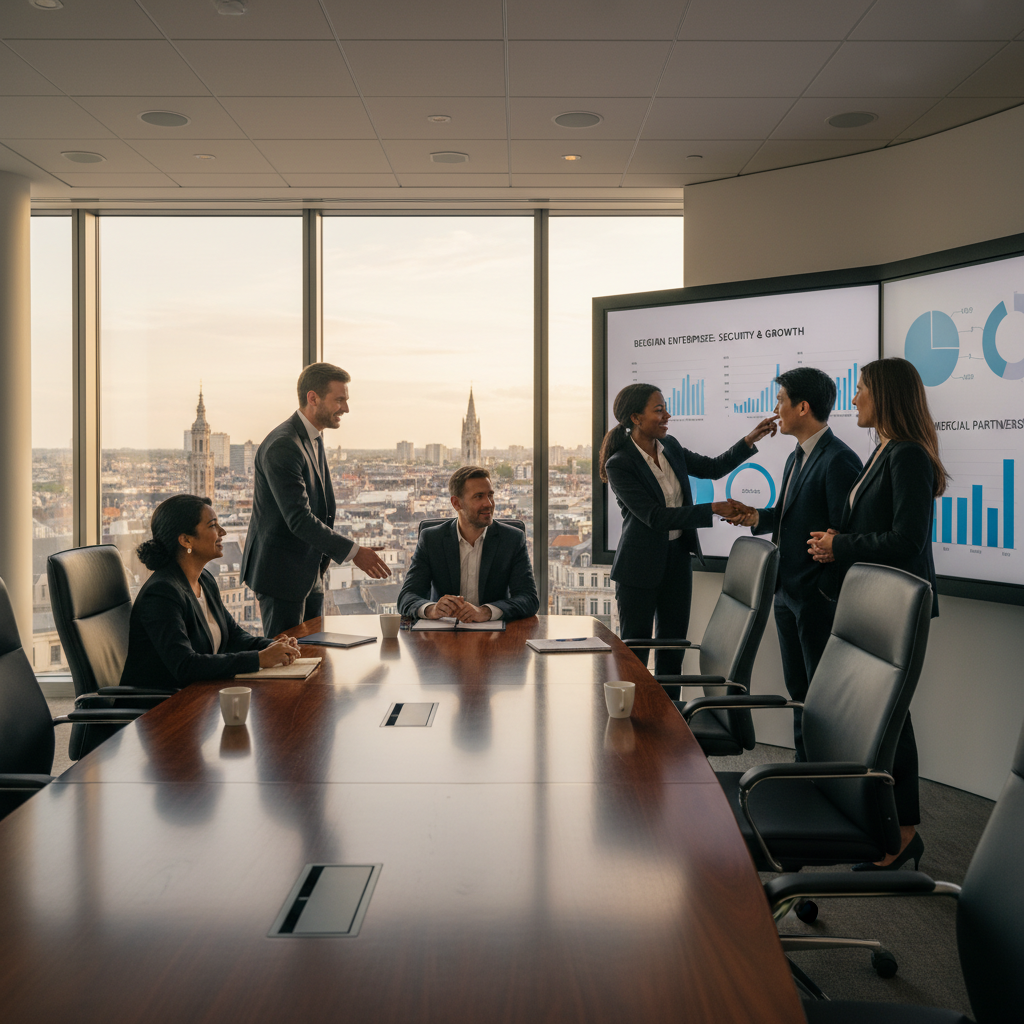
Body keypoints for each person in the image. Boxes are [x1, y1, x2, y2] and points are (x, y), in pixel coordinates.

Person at [808, 357, 947, 870]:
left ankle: (903, 834)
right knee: (885, 720)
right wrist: (836, 544)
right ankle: (889, 824)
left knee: (892, 722)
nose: (855, 399)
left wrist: (840, 545)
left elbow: (908, 539)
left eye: (862, 389)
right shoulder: (884, 450)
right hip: (875, 602)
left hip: (896, 605)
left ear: (884, 395)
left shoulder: (907, 454)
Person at [599, 383, 777, 675]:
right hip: (638, 569)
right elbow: (655, 517)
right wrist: (712, 508)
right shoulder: (620, 465)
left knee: (673, 650)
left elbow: (713, 468)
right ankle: (634, 720)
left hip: (677, 560)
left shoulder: (671, 447)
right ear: (635, 418)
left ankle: (671, 719)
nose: (667, 415)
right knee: (636, 657)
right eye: (659, 410)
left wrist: (749, 439)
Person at [735, 367, 863, 761]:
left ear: (803, 407)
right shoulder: (798, 456)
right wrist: (756, 517)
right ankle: (803, 766)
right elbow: (790, 514)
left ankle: (822, 773)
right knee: (799, 691)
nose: (776, 409)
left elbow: (844, 537)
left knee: (822, 696)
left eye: (781, 401)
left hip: (815, 598)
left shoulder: (839, 460)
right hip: (786, 594)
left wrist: (823, 591)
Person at [241, 362, 390, 638]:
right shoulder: (284, 445)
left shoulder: (311, 437)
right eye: (340, 400)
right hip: (282, 578)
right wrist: (355, 552)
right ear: (313, 398)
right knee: (288, 661)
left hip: (308, 572)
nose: (345, 408)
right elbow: (299, 518)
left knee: (313, 654)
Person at [121, 494, 300, 692]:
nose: (222, 532)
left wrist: (273, 647)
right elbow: (186, 665)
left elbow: (233, 636)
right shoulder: (161, 594)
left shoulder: (204, 579)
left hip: (199, 699)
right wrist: (259, 659)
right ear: (186, 540)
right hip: (159, 711)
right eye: (213, 525)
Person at [397, 466, 539, 622]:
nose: (489, 503)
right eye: (479, 497)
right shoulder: (432, 539)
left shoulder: (512, 539)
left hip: (495, 638)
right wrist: (432, 609)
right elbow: (407, 597)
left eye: (490, 495)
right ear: (456, 503)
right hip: (444, 637)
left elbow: (529, 599)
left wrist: (486, 612)